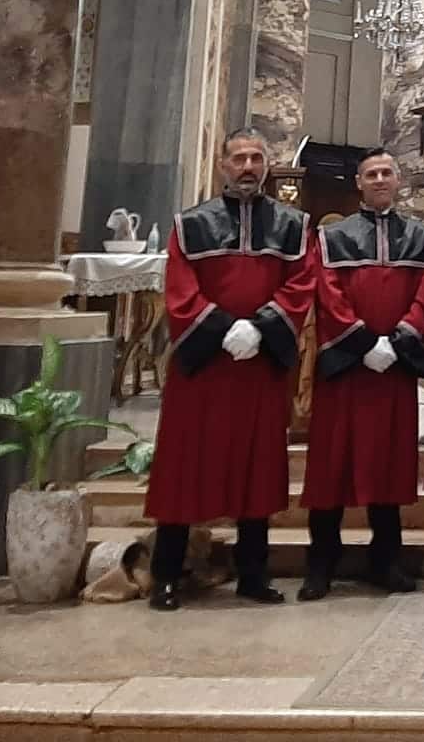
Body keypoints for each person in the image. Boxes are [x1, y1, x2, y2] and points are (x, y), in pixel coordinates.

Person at [144, 128, 310, 611]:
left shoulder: (292, 225)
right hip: (206, 366)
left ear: (268, 165)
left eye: (257, 158)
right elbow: (179, 288)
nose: (248, 167)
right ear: (222, 165)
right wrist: (221, 329)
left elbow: (301, 284)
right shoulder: (191, 224)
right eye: (239, 158)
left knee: (255, 469)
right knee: (184, 467)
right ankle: (167, 576)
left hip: (257, 365)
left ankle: (253, 575)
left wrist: (260, 329)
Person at [299, 149, 424, 599]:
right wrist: (362, 342)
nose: (380, 180)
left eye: (387, 173)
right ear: (359, 182)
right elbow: (328, 291)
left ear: (399, 181)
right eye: (371, 174)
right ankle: (321, 562)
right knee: (331, 465)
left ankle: (387, 560)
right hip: (347, 367)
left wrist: (397, 340)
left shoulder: (419, 239)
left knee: (389, 464)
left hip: (392, 368)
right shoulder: (333, 236)